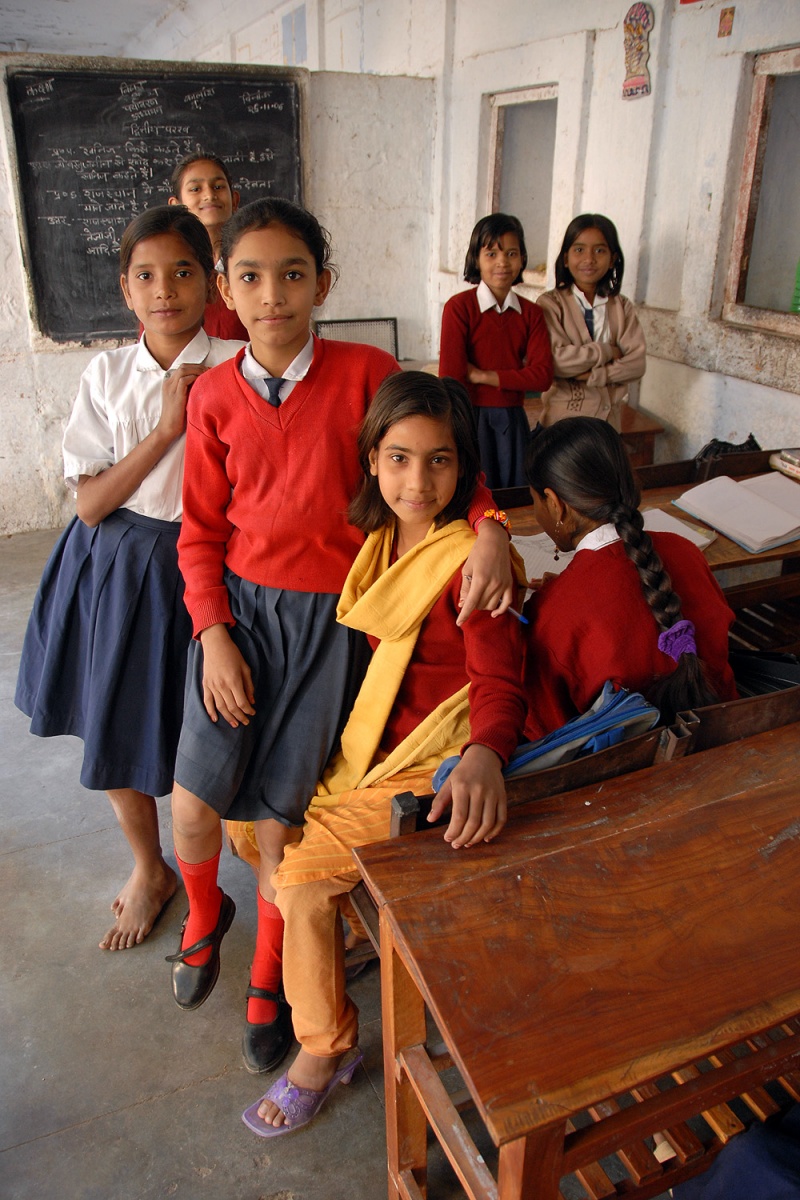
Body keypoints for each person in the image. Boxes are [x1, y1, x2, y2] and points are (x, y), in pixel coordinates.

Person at [168, 198, 515, 1077]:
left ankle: (268, 979)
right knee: (197, 801)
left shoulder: (364, 370)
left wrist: (492, 526)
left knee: (286, 814)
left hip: (333, 626)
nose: (273, 294)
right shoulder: (211, 395)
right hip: (240, 619)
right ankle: (205, 915)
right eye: (249, 276)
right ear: (225, 290)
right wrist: (211, 632)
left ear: (324, 283)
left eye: (293, 275)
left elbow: (439, 451)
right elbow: (200, 531)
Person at [237, 371, 527, 1137]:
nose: (418, 479)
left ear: (462, 467)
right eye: (400, 458)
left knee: (296, 884)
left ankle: (324, 1047)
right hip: (373, 736)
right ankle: (343, 946)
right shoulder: (379, 538)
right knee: (250, 825)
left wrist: (486, 754)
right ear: (371, 458)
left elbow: (499, 679)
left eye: (440, 462)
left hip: (428, 757)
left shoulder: (470, 560)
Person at [14, 205, 244, 951]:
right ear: (124, 288)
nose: (164, 289)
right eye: (146, 274)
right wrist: (165, 431)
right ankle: (150, 867)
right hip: (118, 563)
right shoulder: (108, 374)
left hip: (213, 568)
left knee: (207, 729)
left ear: (211, 284)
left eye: (182, 271)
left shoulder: (238, 368)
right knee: (116, 719)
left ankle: (218, 871)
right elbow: (89, 504)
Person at [522, 417, 737, 736]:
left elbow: (547, 732)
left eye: (535, 501)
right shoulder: (686, 551)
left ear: (555, 504)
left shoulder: (551, 615)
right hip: (725, 728)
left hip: (626, 773)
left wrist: (556, 603)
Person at [439, 212, 553, 489]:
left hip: (513, 419)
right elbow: (451, 379)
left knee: (515, 490)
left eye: (512, 253)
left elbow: (542, 377)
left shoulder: (532, 313)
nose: (502, 262)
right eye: (491, 253)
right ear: (476, 259)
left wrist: (482, 376)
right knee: (476, 491)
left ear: (523, 258)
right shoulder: (459, 308)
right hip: (471, 417)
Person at [536, 214, 646, 426]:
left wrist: (593, 375)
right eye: (579, 250)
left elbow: (637, 364)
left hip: (608, 424)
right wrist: (607, 352)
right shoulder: (551, 304)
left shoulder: (621, 306)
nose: (589, 259)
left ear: (612, 258)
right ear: (566, 258)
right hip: (562, 424)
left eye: (599, 250)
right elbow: (556, 362)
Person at [168, 151, 248, 340]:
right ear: (175, 205)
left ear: (235, 200)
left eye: (218, 186)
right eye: (195, 189)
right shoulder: (166, 270)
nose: (209, 195)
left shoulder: (252, 262)